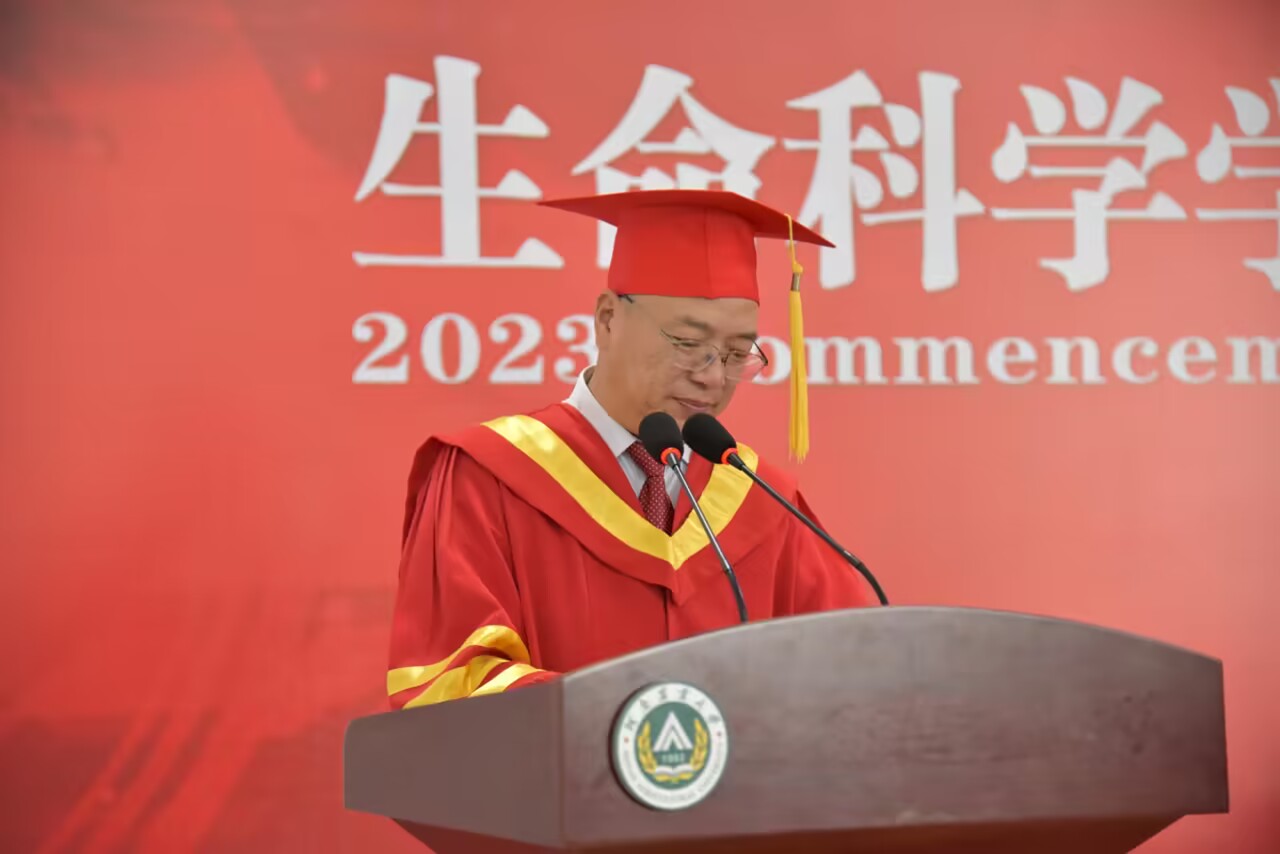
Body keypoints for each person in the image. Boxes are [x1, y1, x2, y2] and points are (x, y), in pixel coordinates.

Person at [387, 189, 876, 710]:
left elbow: (856, 673)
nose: (713, 377)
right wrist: (641, 718)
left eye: (737, 354)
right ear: (607, 319)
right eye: (688, 343)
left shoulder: (764, 503)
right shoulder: (489, 476)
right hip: (558, 767)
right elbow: (453, 684)